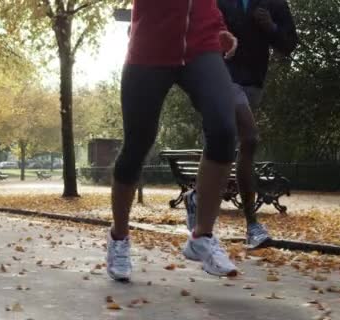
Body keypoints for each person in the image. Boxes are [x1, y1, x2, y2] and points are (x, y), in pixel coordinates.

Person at [107, 0, 241, 281]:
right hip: (150, 46)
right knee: (137, 143)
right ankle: (119, 238)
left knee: (224, 130)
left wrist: (220, 27)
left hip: (202, 43)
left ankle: (201, 237)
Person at [184, 0, 298, 249]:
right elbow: (198, 30)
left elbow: (289, 43)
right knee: (250, 137)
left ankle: (196, 196)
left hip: (254, 81)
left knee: (222, 143)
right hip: (222, 75)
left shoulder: (275, 3)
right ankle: (252, 225)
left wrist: (271, 27)